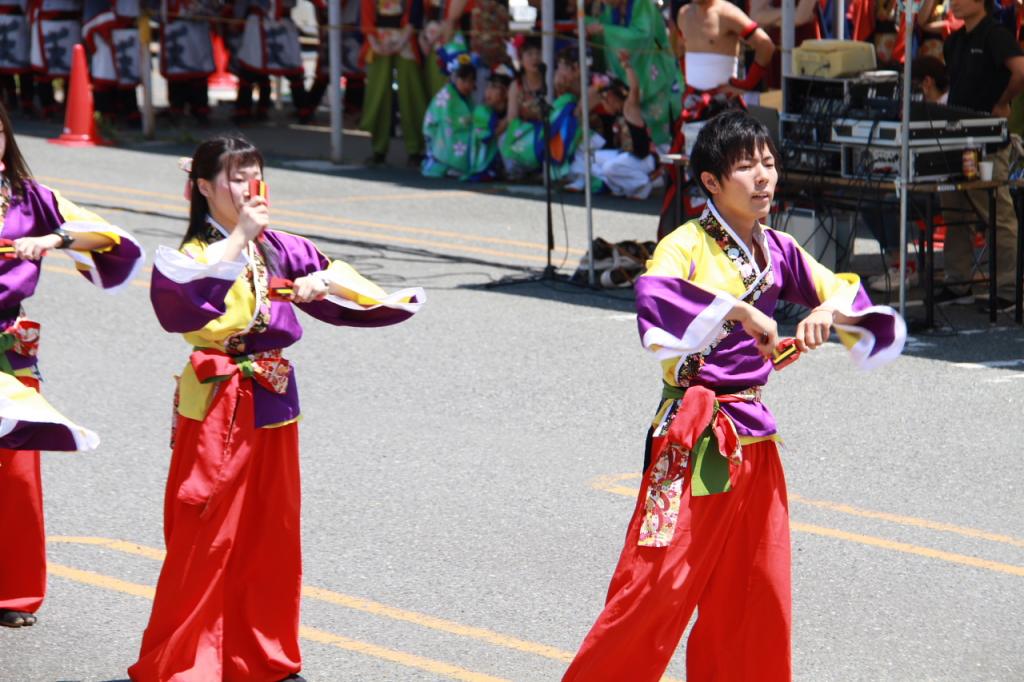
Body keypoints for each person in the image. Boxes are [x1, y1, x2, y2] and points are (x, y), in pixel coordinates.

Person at [562, 110, 906, 681]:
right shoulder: (684, 245)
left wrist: (827, 312)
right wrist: (739, 309)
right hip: (693, 436)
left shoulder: (777, 248)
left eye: (768, 163)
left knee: (756, 589)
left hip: (755, 439)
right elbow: (655, 300)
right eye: (746, 167)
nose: (764, 177)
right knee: (656, 586)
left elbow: (846, 290)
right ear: (711, 183)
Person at [128, 135, 423, 681]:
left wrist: (320, 285)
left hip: (273, 396)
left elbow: (335, 273)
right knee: (205, 532)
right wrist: (242, 235)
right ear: (202, 186)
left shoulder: (276, 245)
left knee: (271, 532)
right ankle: (188, 660)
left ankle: (261, 656)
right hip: (217, 403)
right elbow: (181, 300)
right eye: (235, 177)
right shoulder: (194, 253)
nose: (248, 188)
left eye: (254, 175)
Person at [0, 102, 144, 628]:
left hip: (9, 348)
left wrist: (54, 238)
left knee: (16, 471)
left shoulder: (29, 198)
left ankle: (13, 592)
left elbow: (106, 236)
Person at [935, 0, 1024, 309]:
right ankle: (958, 282)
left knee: (998, 214)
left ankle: (1008, 291)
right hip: (957, 137)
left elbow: (1020, 71)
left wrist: (1002, 101)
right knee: (954, 209)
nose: (954, 3)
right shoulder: (954, 41)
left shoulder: (996, 34)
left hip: (989, 139)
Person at [585, 0, 682, 147]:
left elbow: (641, 37)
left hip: (658, 74)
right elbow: (602, 28)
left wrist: (604, 30)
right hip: (632, 80)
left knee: (667, 133)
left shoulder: (643, 4)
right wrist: (586, 24)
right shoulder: (611, 10)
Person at [571, 50, 657, 199]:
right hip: (628, 158)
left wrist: (627, 66)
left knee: (610, 167)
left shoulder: (629, 108)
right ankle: (621, 187)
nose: (603, 104)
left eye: (605, 99)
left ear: (613, 96)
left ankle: (644, 182)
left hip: (643, 159)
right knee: (591, 158)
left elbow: (634, 90)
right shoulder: (617, 115)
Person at [360, 0, 427, 166]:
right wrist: (374, 43)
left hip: (406, 37)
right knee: (378, 92)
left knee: (411, 93)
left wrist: (402, 40)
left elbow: (415, 12)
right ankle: (378, 148)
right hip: (377, 38)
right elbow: (366, 12)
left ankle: (415, 149)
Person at [82, 0, 142, 126]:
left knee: (127, 75)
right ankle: (105, 114)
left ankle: (130, 113)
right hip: (103, 23)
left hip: (129, 26)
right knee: (104, 76)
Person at [158, 0, 215, 124]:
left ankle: (200, 108)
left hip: (196, 32)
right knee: (177, 74)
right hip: (175, 31)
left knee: (197, 76)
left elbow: (209, 8)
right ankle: (177, 107)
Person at [422, 59, 477, 178]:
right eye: (464, 80)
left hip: (455, 126)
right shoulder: (447, 94)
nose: (467, 85)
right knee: (455, 133)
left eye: (471, 81)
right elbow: (448, 120)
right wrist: (468, 120)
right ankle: (451, 164)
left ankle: (458, 165)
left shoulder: (467, 97)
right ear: (455, 78)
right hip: (439, 131)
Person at [466, 63, 512, 180]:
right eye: (488, 86)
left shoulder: (514, 111)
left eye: (494, 87)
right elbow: (486, 137)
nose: (488, 91)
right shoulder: (483, 112)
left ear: (507, 92)